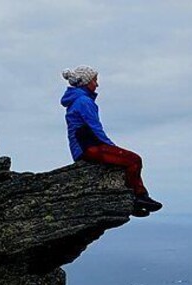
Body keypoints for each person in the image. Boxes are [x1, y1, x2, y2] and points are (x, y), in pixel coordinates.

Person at [61, 65, 162, 217]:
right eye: (95, 80)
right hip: (89, 147)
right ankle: (138, 198)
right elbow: (95, 128)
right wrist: (112, 148)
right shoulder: (84, 101)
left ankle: (136, 200)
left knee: (125, 162)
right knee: (133, 160)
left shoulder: (77, 100)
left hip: (82, 148)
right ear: (86, 82)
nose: (97, 84)